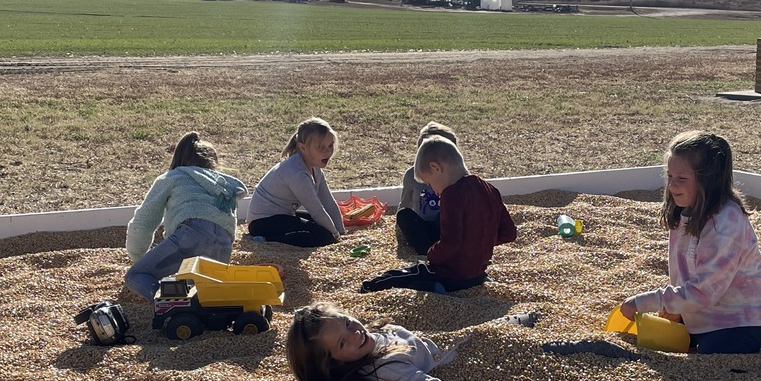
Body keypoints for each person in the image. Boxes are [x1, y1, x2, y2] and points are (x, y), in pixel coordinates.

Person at [619, 130, 761, 362]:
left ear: (708, 180)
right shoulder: (684, 211)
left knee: (714, 356)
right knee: (674, 341)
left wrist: (644, 302)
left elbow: (704, 291)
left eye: (681, 179)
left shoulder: (725, 223)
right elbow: (686, 274)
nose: (671, 185)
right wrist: (675, 309)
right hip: (702, 315)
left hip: (744, 320)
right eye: (669, 176)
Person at [286, 302, 567, 381]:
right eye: (342, 342)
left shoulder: (369, 338)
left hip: (464, 340)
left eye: (348, 322)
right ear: (331, 364)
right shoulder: (389, 371)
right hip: (487, 357)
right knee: (559, 346)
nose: (355, 333)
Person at [362, 135, 516, 293]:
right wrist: (478, 244)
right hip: (477, 275)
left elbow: (450, 242)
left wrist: (431, 255)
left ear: (436, 168)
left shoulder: (452, 193)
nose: (433, 189)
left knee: (399, 276)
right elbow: (509, 233)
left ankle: (371, 287)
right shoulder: (490, 189)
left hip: (449, 274)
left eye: (429, 182)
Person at [125, 132, 247, 301]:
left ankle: (170, 304)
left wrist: (138, 257)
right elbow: (228, 220)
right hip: (224, 243)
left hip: (191, 234)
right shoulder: (224, 186)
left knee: (137, 275)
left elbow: (143, 222)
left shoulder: (173, 177)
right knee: (197, 287)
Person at [246, 117, 346, 247]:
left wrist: (341, 231)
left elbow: (328, 203)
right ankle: (267, 239)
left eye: (330, 146)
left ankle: (272, 238)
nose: (328, 151)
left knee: (324, 227)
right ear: (302, 148)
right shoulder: (296, 172)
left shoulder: (315, 168)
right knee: (325, 237)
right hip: (262, 222)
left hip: (283, 215)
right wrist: (335, 236)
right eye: (321, 147)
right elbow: (316, 210)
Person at [395, 121, 453, 255]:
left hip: (446, 227)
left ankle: (441, 249)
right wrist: (400, 233)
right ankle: (427, 251)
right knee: (404, 214)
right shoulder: (412, 174)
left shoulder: (452, 174)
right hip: (423, 226)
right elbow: (405, 203)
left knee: (442, 215)